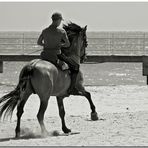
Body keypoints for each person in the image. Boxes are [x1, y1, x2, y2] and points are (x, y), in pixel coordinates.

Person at [37, 12, 79, 94]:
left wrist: (46, 44)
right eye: (60, 20)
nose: (60, 22)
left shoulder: (45, 31)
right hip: (56, 56)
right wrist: (60, 44)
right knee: (75, 66)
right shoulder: (61, 31)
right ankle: (72, 88)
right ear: (58, 20)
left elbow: (38, 42)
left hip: (45, 55)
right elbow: (67, 44)